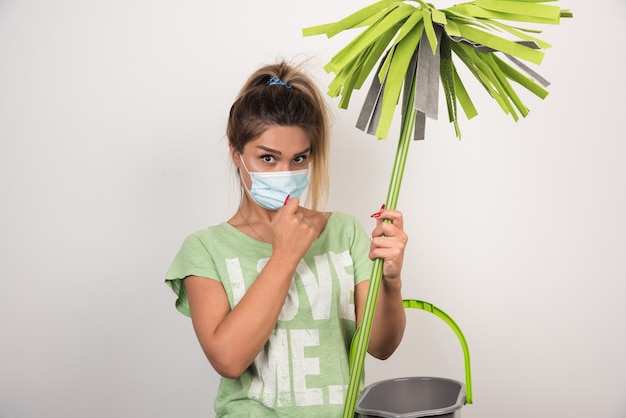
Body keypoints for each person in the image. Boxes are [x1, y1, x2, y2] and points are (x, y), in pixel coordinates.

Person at [165, 59, 408, 417]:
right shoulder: (205, 249)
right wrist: (284, 255)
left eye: (298, 159)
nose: (286, 173)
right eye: (268, 158)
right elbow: (228, 359)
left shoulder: (345, 232)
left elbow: (381, 346)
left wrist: (391, 281)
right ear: (237, 154)